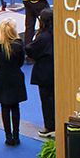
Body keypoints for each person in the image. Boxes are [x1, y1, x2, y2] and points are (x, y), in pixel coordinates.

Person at [0, 20, 28, 146]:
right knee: (15, 107)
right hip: (15, 77)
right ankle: (16, 135)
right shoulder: (18, 45)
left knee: (4, 108)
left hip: (1, 78)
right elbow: (21, 62)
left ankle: (8, 136)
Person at [26, 8, 56, 138]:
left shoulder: (43, 37)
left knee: (46, 100)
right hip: (56, 70)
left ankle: (50, 126)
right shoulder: (57, 33)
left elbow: (30, 49)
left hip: (44, 72)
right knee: (55, 98)